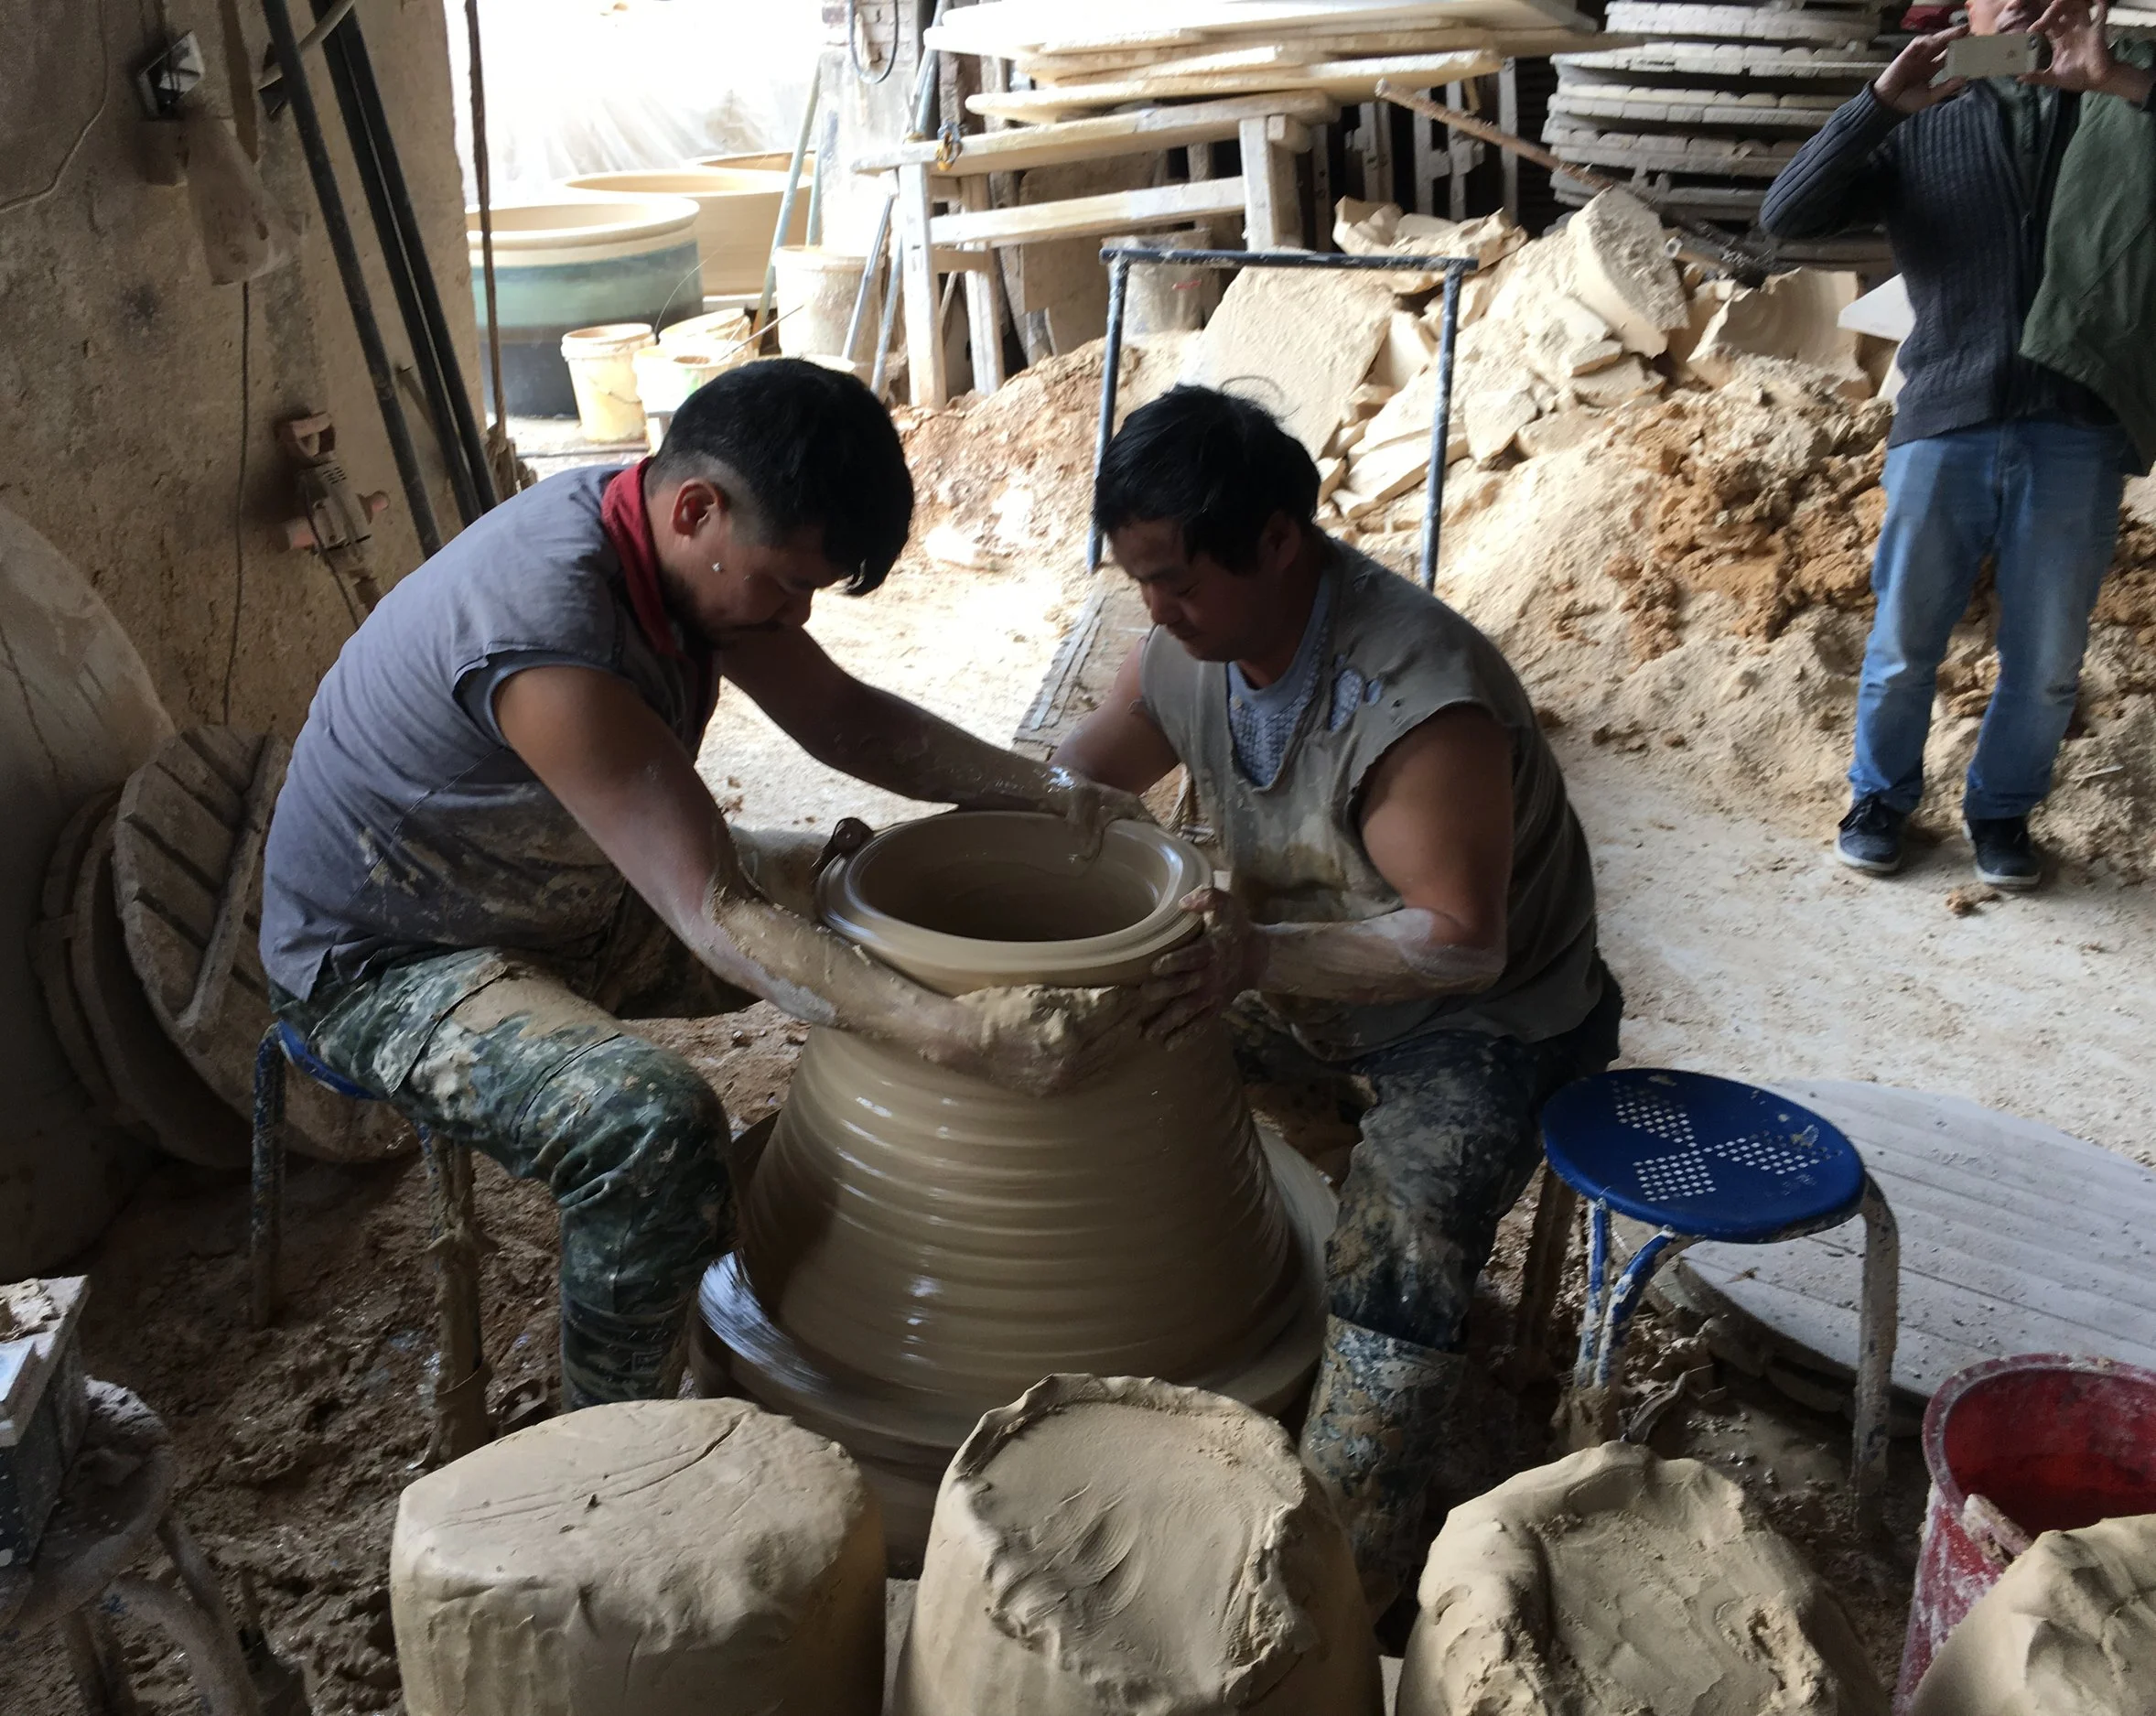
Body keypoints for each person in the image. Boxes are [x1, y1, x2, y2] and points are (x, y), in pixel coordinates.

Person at [260, 358, 1145, 1409]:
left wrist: (1052, 792)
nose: (796, 617)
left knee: (876, 894)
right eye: (787, 584)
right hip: (388, 960)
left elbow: (842, 721)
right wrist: (964, 1038)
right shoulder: (548, 626)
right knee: (654, 1132)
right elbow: (714, 912)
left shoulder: (684, 553)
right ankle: (616, 1452)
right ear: (696, 509)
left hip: (558, 886)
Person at [1053, 385, 1621, 1610]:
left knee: (1398, 1243)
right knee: (1094, 1039)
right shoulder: (1188, 646)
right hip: (1291, 973)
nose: (1154, 609)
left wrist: (1255, 958)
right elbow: (1085, 772)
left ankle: (1340, 1588)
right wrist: (1019, 832)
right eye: (1139, 580)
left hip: (1482, 1018)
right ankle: (1202, 1299)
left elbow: (1460, 943)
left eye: (1174, 581)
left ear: (1275, 540)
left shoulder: (1418, 700)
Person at [1761, 0, 2156, 888]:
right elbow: (1786, 216)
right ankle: (1879, 801)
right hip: (1945, 415)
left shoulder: (2121, 106)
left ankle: (2002, 812)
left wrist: (2123, 82)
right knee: (1905, 640)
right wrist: (1878, 107)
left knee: (2047, 658)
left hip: (2076, 425)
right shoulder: (1924, 115)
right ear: (1965, 7)